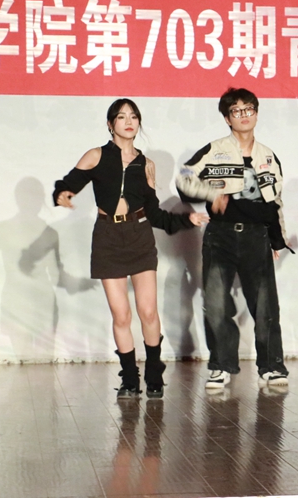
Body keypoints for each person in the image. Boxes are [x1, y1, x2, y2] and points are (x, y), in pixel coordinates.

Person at [53, 98, 208, 399]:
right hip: (107, 237)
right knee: (121, 315)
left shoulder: (146, 164)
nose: (128, 121)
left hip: (139, 236)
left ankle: (154, 372)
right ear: (110, 124)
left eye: (133, 116)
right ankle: (129, 378)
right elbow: (69, 182)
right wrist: (62, 194)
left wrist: (186, 219)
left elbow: (155, 214)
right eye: (122, 116)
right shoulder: (96, 155)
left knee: (148, 311)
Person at [176, 87, 292, 390]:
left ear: (256, 113)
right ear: (227, 118)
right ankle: (220, 365)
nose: (244, 115)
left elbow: (276, 202)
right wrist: (210, 193)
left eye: (249, 109)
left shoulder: (268, 156)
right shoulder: (213, 150)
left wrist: (277, 239)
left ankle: (272, 366)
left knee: (265, 307)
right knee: (216, 304)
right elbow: (183, 176)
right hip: (221, 236)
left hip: (257, 237)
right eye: (237, 111)